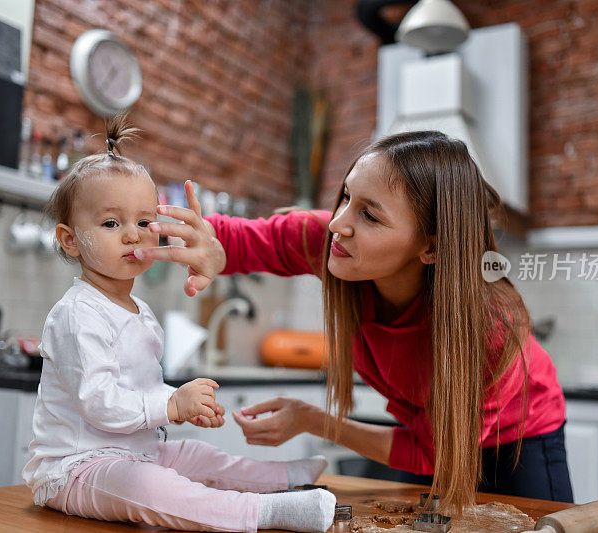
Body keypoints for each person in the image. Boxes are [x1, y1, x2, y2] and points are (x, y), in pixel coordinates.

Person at [135, 130, 573, 516]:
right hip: (433, 440)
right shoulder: (330, 242)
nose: (338, 224)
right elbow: (241, 240)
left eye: (370, 214)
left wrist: (313, 419)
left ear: (432, 248)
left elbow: (430, 451)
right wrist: (205, 244)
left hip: (521, 440)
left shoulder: (488, 330)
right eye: (346, 196)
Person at [23, 115, 335, 533]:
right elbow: (98, 402)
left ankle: (284, 480)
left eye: (144, 222)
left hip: (137, 451)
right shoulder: (78, 313)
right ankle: (265, 513)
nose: (133, 235)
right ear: (70, 239)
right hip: (75, 468)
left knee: (197, 456)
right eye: (112, 223)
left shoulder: (141, 312)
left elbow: (144, 393)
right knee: (152, 488)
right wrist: (170, 405)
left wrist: (182, 404)